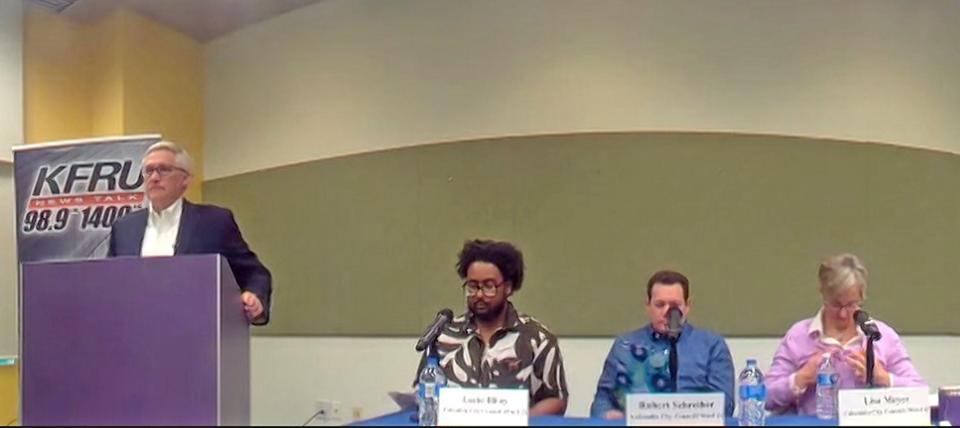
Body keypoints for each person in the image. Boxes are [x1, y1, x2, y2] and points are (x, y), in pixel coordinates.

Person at [108, 141, 273, 325]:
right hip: (134, 331)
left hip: (195, 332)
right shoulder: (124, 227)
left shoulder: (214, 222)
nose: (154, 177)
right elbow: (110, 282)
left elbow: (254, 273)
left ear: (185, 179)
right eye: (148, 170)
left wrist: (254, 296)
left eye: (164, 169)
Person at [412, 239, 568, 416]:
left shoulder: (536, 338)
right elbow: (421, 390)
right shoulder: (443, 336)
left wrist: (516, 420)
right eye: (472, 286)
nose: (479, 294)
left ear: (508, 287)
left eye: (488, 286)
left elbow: (556, 400)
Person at [765, 253, 925, 415]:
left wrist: (882, 378)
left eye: (850, 305)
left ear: (862, 296)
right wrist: (802, 377)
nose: (842, 314)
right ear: (822, 294)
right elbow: (764, 397)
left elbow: (920, 392)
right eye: (835, 304)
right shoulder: (799, 336)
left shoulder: (880, 336)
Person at [589, 270, 735, 419]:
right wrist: (608, 415)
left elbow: (725, 405)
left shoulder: (711, 345)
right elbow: (603, 399)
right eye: (660, 305)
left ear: (687, 306)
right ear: (648, 306)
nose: (667, 312)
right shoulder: (626, 345)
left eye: (674, 305)